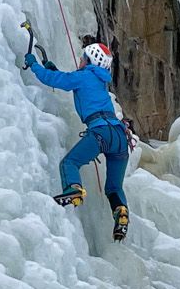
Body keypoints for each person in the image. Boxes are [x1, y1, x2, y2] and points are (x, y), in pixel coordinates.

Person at [20, 37, 131, 241]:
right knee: (114, 187)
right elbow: (67, 78)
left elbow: (56, 80)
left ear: (89, 61)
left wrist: (34, 64)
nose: (80, 61)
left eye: (83, 58)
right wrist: (52, 68)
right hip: (120, 137)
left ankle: (74, 189)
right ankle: (121, 213)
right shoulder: (100, 80)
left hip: (101, 132)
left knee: (69, 163)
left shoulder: (85, 76)